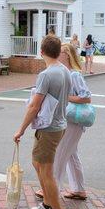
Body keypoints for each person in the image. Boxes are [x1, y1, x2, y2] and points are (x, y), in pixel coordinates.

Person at [13, 35, 71, 209]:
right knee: (37, 163)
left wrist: (20, 129)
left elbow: (34, 106)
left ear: (42, 52)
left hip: (49, 128)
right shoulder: (64, 71)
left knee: (47, 172)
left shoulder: (46, 75)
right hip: (57, 125)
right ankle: (47, 204)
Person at [35, 43, 91, 200]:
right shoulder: (65, 73)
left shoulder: (74, 74)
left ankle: (52, 188)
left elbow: (86, 97)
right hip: (70, 120)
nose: (56, 55)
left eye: (59, 52)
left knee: (60, 153)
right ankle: (78, 189)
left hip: (73, 121)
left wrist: (64, 97)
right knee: (71, 155)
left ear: (67, 54)